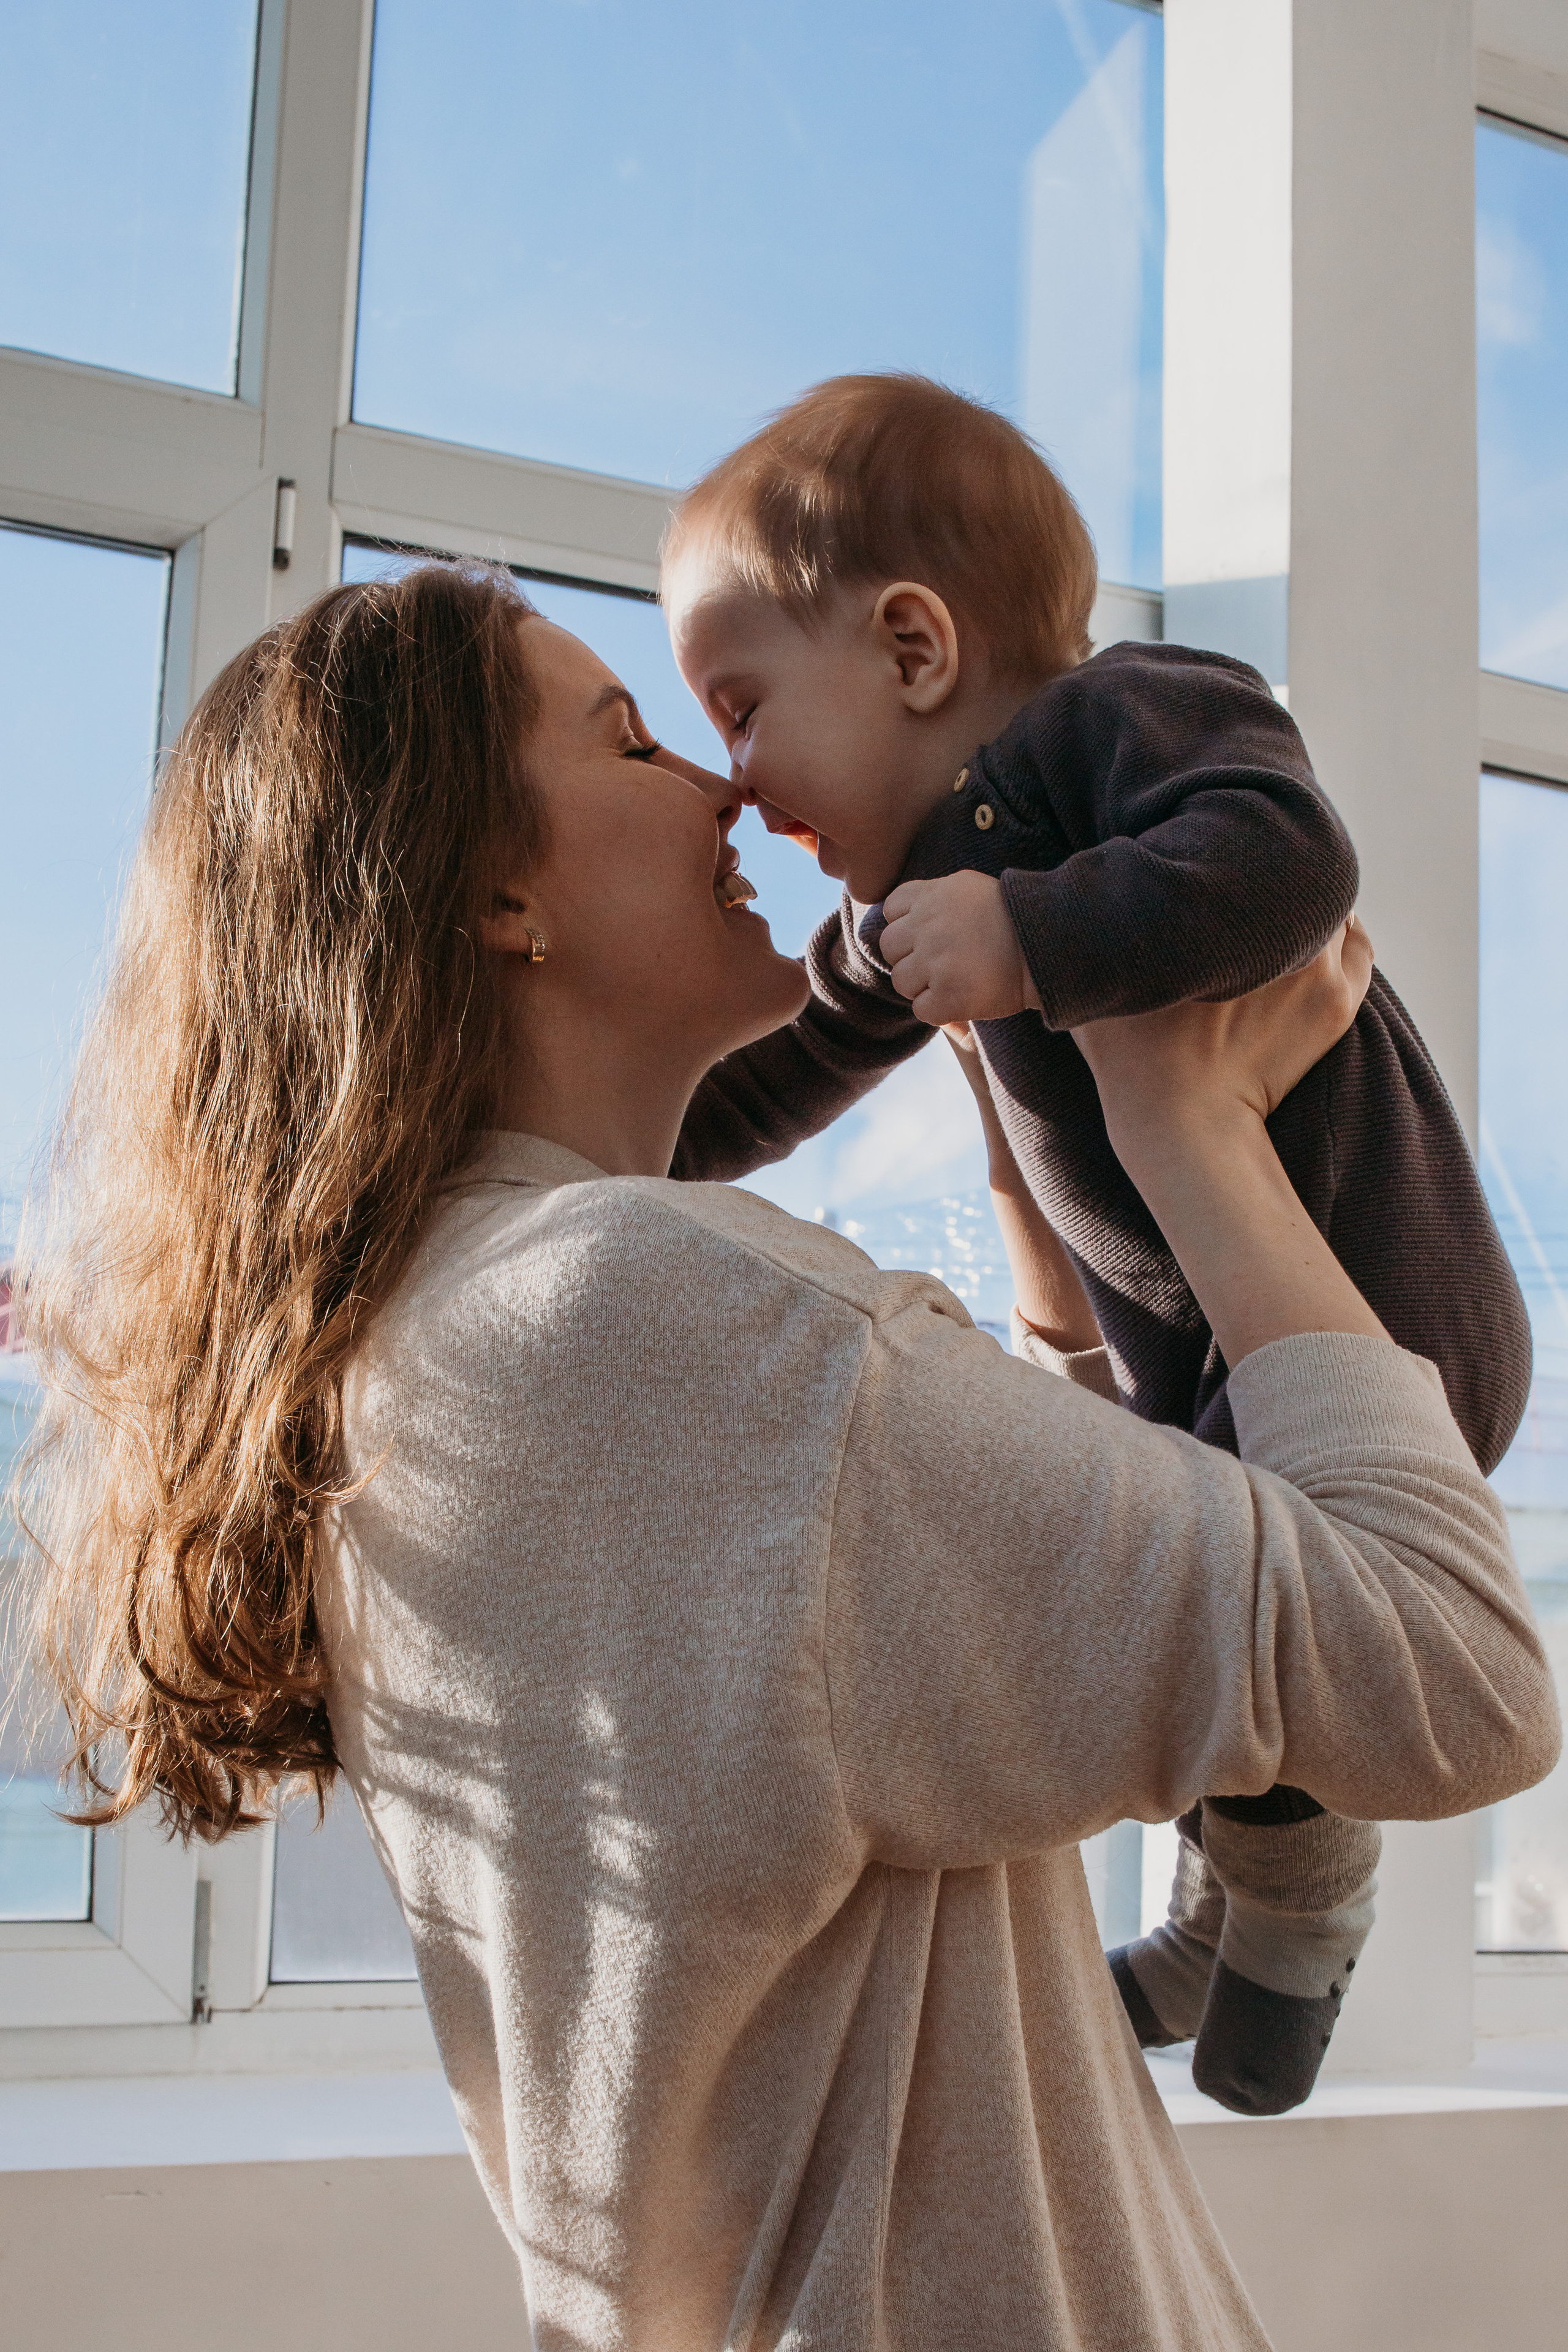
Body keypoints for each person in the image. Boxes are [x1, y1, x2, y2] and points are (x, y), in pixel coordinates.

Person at [17, 564, 1557, 2352]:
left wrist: (1037, 1236)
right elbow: (1454, 1671)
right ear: (497, 893)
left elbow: (945, 1618)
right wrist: (1190, 1129)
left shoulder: (448, 1336)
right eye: (634, 739)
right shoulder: (658, 1315)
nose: (727, 788)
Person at [660, 371, 1534, 2113]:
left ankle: (1292, 1914)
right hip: (1208, 1345)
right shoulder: (892, 918)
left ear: (913, 647)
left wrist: (1036, 931)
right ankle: (1227, 1913)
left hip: (1384, 1312)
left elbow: (1288, 858)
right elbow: (762, 1088)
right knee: (1192, 1607)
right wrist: (607, 1152)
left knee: (1238, 1614)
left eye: (744, 709)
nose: (737, 783)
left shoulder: (1131, 716)